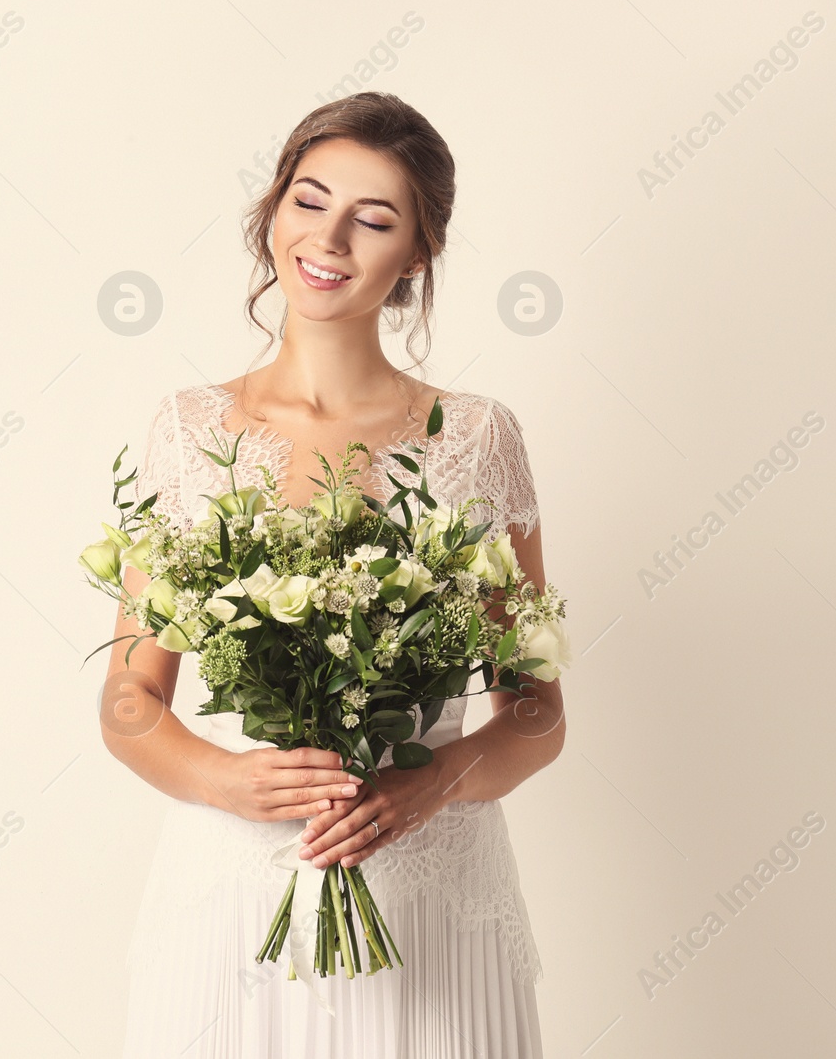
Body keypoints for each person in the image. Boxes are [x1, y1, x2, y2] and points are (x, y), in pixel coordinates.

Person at [102, 91, 564, 1057]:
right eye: (310, 201)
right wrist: (227, 780)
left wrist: (436, 780)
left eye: (375, 219)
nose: (330, 238)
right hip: (233, 896)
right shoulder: (187, 434)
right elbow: (131, 702)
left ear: (417, 255)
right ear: (272, 210)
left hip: (432, 905)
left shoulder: (478, 437)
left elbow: (537, 709)